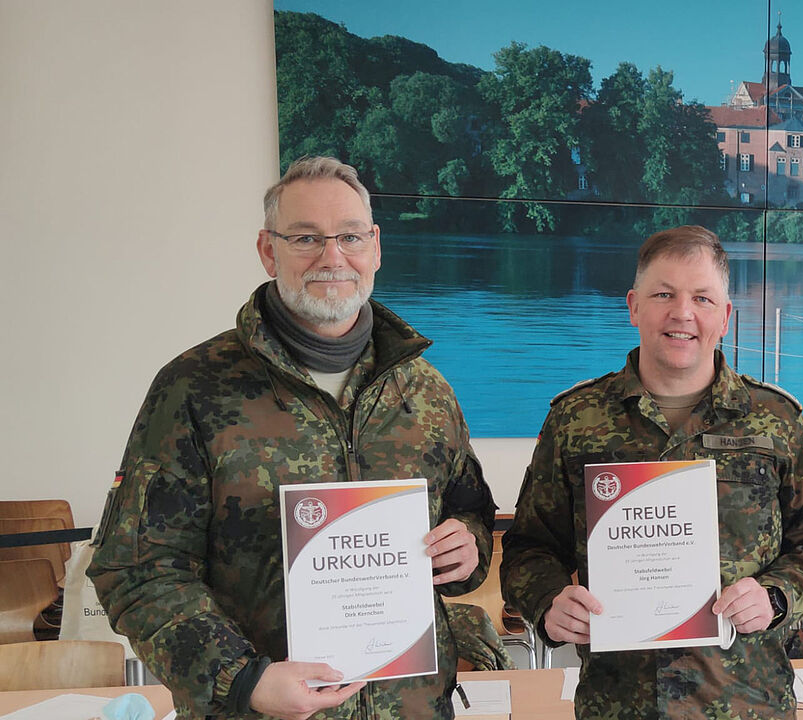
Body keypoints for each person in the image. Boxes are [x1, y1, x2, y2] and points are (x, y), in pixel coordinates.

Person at [89, 156, 497, 720]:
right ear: (267, 249)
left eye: (350, 237)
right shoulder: (194, 388)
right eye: (306, 238)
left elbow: (468, 509)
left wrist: (468, 548)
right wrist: (243, 680)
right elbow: (136, 569)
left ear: (374, 246)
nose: (333, 257)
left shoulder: (425, 390)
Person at [501, 225, 803, 719]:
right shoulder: (576, 420)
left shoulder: (775, 420)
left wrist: (777, 595)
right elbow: (527, 547)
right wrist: (547, 602)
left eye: (703, 298)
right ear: (633, 306)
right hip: (617, 705)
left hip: (747, 705)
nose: (683, 313)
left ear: (725, 316)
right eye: (663, 294)